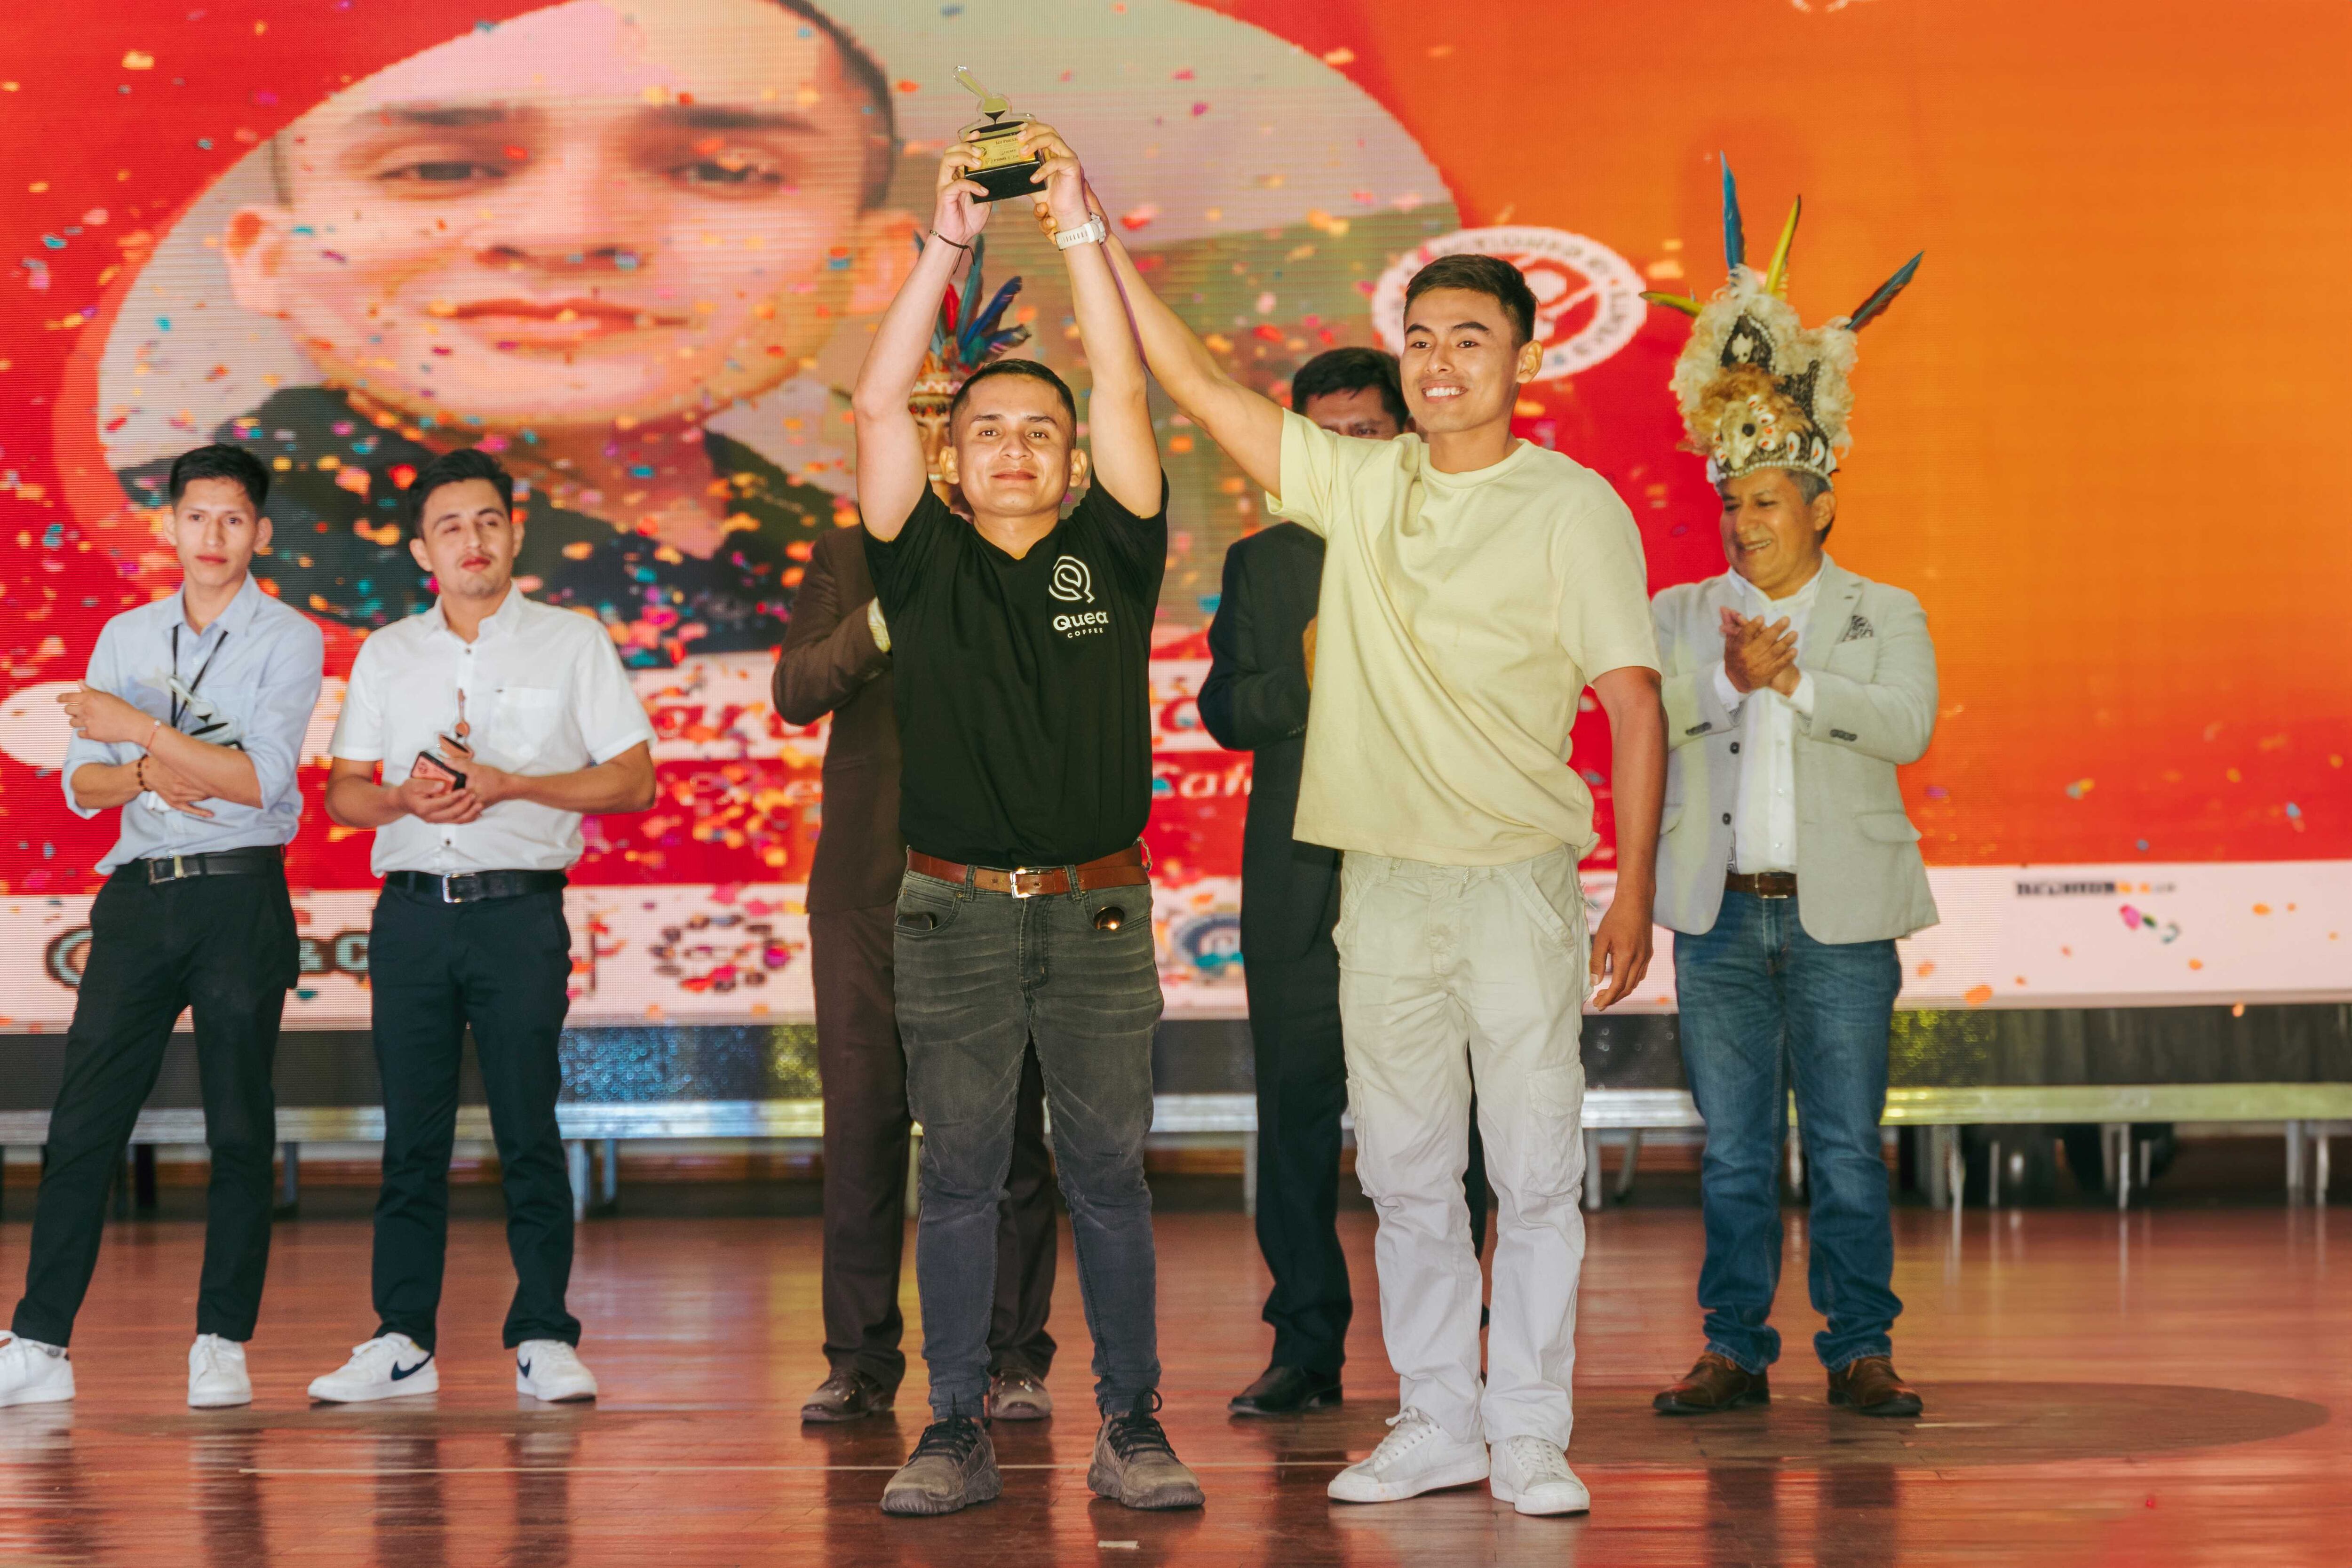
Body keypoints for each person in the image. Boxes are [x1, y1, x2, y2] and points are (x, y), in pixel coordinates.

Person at [1106, 175, 1668, 1514]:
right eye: (1420, 340)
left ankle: (1529, 1428)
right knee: (1409, 1175)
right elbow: (1196, 384)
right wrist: (1091, 235)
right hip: (1385, 887)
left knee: (1532, 1170)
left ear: (1523, 356)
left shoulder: (1571, 505)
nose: (1439, 362)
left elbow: (1636, 704)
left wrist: (1632, 891)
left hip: (1517, 883)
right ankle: (1437, 1417)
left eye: (1470, 338)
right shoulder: (1360, 484)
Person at [116, 0, 912, 666]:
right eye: (437, 169)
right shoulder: (145, 557)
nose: (568, 233)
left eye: (723, 171)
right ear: (266, 258)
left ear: (874, 261)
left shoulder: (882, 567)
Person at [852, 127, 1201, 1516]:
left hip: (1098, 909)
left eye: (1039, 433)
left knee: (1109, 1173)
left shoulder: (1113, 547)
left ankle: (1132, 1422)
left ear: (1073, 463)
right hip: (948, 911)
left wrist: (1075, 230)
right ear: (955, 455)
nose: (1013, 447)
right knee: (959, 1176)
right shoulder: (921, 555)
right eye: (987, 428)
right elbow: (877, 403)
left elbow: (1121, 378)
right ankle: (952, 1427)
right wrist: (946, 240)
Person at [1643, 173, 1937, 1421]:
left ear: (1820, 503)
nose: (1742, 520)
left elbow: (1907, 724)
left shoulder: (1883, 610)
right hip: (1719, 921)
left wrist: (1798, 682)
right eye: (1729, 501)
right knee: (1733, 1152)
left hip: (1841, 920)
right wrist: (1725, 678)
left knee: (1849, 1149)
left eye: (1765, 500)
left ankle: (1861, 1346)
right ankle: (1733, 1346)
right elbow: (1644, 724)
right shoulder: (1677, 615)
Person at [305, 447, 657, 1404]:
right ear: (423, 549)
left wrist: (511, 783)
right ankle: (401, 1339)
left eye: (489, 521)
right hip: (413, 916)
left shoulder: (572, 641)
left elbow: (634, 780)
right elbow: (343, 793)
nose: (473, 540)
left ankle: (544, 1332)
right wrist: (402, 799)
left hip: (518, 914)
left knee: (527, 1127)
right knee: (410, 1138)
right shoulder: (387, 652)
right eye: (451, 526)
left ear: (515, 532)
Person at [0, 446, 323, 1411]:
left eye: (233, 518)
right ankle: (40, 1342)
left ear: (260, 532)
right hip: (140, 896)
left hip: (238, 894)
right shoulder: (126, 635)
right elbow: (83, 783)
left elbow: (260, 779)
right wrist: (147, 772)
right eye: (196, 516)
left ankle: (221, 1340)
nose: (213, 535)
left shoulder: (290, 637)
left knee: (238, 1123)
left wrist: (140, 731)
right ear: (171, 525)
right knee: (83, 1120)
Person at [1202, 347, 1492, 1418]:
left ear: (1405, 434)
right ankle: (1305, 1344)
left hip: (1433, 867)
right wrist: (1306, 675)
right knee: (1295, 1117)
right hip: (1300, 884)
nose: (1346, 451)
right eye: (1324, 437)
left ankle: (1452, 1341)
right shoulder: (1263, 561)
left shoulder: (1457, 541)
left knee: (1448, 1116)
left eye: (1365, 433)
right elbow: (1226, 709)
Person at [774, 518, 1063, 1426]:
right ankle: (859, 1359)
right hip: (866, 884)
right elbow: (796, 687)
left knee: (1005, 1129)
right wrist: (883, 618)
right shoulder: (848, 555)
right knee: (862, 1125)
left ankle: (1013, 1356)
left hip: (997, 879)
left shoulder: (1035, 544)